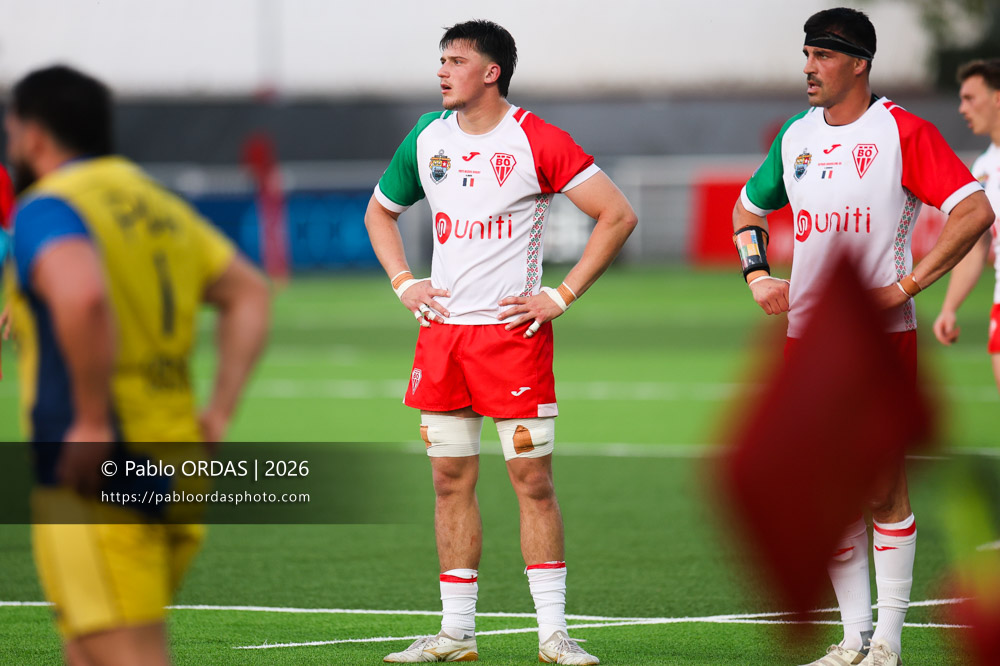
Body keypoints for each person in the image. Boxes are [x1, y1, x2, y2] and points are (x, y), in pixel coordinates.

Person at [364, 19, 636, 665]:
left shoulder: (536, 138)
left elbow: (617, 214)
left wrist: (561, 296)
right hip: (442, 340)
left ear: (491, 72)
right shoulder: (427, 137)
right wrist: (404, 282)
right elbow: (379, 211)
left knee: (532, 481)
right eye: (441, 60)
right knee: (448, 480)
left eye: (456, 60)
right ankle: (456, 634)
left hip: (513, 340)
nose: (442, 71)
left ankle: (554, 635)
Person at [731, 8, 994, 666]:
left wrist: (907, 286)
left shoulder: (902, 131)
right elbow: (748, 209)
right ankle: (852, 639)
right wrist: (757, 274)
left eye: (822, 55)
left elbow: (974, 210)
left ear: (859, 63)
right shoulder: (795, 136)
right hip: (805, 342)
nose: (808, 67)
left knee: (882, 490)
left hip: (880, 341)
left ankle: (887, 643)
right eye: (806, 54)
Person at [3, 65, 270, 666]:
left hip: (99, 471)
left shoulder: (50, 205)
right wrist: (219, 412)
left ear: (34, 135)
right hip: (177, 461)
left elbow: (83, 295)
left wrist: (91, 420)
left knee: (126, 652)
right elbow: (249, 292)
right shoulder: (155, 202)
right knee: (88, 648)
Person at [933, 59, 1000, 392]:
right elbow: (977, 243)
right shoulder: (984, 167)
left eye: (970, 98)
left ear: (998, 98)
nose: (962, 108)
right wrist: (949, 307)